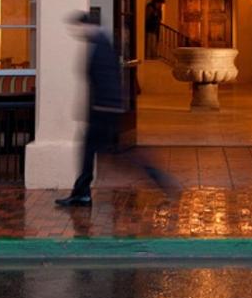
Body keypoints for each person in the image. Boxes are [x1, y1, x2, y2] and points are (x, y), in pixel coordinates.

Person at [56, 11, 174, 207]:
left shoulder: (101, 46)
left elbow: (108, 81)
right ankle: (82, 192)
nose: (77, 32)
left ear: (88, 26)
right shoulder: (99, 43)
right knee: (94, 151)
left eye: (79, 27)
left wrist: (104, 107)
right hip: (101, 111)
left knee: (118, 155)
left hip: (104, 111)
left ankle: (158, 177)